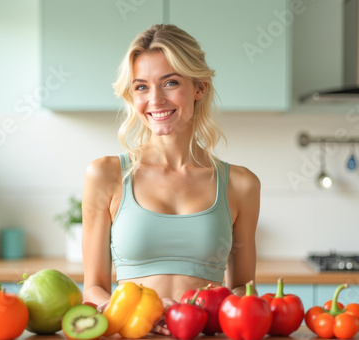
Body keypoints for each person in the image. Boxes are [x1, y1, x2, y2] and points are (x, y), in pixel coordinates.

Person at [82, 24, 260, 335]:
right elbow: (94, 287)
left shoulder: (241, 184)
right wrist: (137, 311)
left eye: (170, 83)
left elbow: (243, 290)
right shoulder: (106, 175)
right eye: (141, 87)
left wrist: (192, 314)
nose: (155, 100)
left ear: (199, 88)